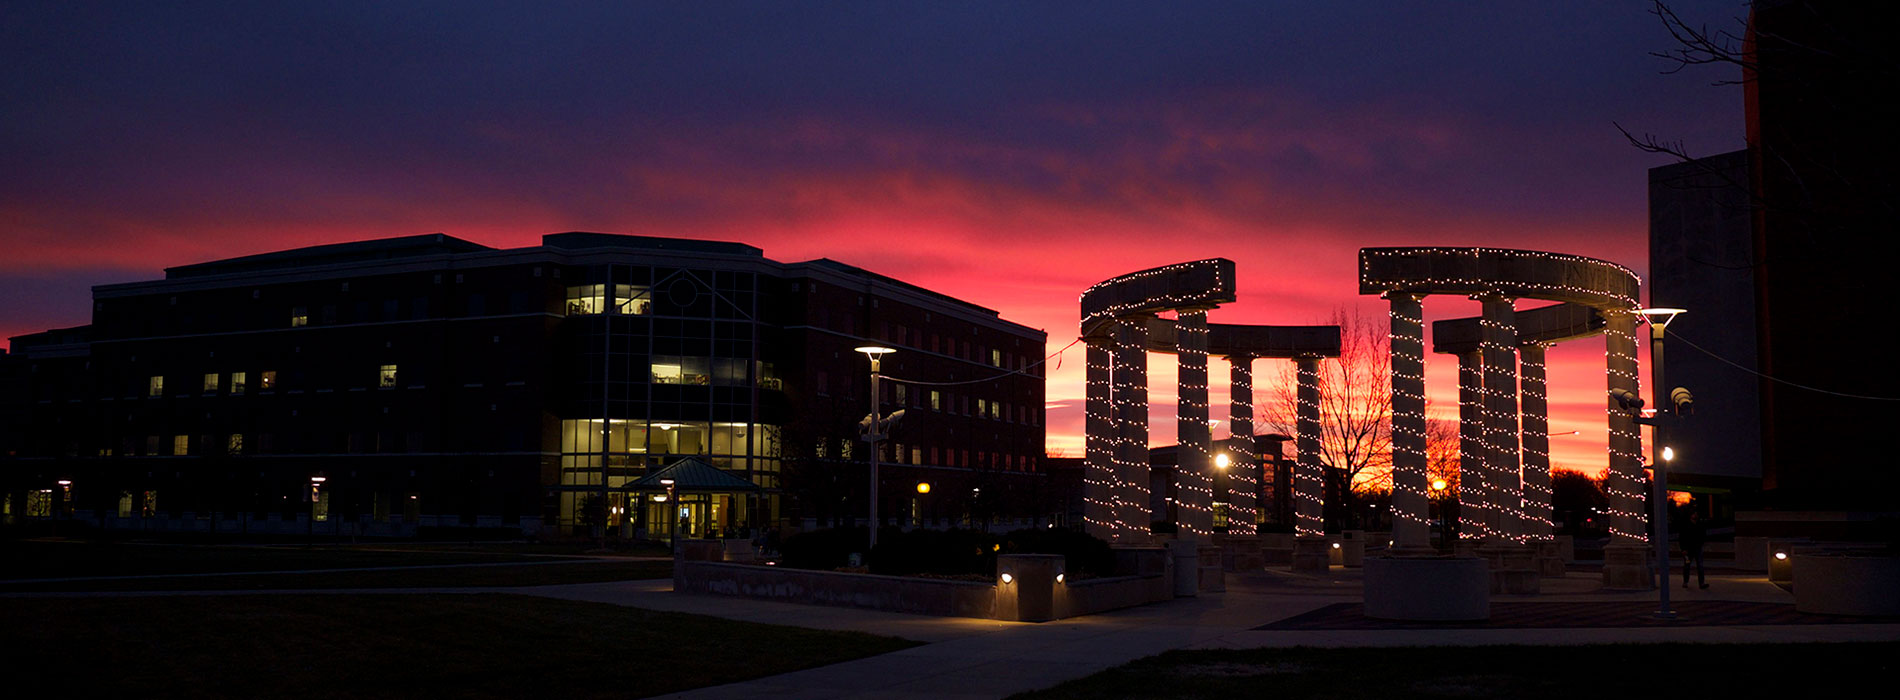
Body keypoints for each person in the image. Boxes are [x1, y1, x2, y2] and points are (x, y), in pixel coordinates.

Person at [1680, 510, 1709, 589]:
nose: (1695, 515)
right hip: (1688, 550)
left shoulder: (1700, 525)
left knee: (1700, 566)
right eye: (1694, 514)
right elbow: (1682, 538)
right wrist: (1683, 549)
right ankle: (1685, 582)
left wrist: (1701, 544)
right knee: (1687, 566)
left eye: (1696, 514)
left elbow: (1703, 536)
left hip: (1697, 549)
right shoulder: (1686, 525)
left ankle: (1701, 583)